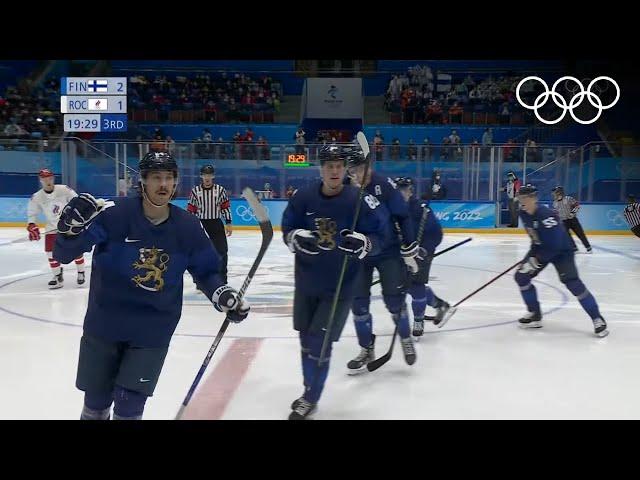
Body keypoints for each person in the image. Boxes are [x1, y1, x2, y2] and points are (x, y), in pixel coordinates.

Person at [53, 152, 250, 420]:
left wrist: (222, 294)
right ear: (142, 182)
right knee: (96, 404)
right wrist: (68, 232)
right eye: (156, 177)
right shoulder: (115, 216)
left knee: (129, 406)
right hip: (104, 325)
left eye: (169, 178)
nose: (164, 184)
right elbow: (65, 254)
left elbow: (206, 271)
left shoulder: (187, 227)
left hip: (152, 331)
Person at [281, 144, 389, 420]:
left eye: (339, 166)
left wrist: (365, 243)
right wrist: (294, 237)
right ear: (321, 168)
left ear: (345, 169)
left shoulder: (359, 200)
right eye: (329, 166)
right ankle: (309, 389)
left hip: (340, 286)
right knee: (306, 340)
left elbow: (380, 238)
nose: (334, 171)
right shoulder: (303, 197)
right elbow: (288, 226)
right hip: (306, 282)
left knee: (320, 343)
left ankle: (310, 398)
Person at [345, 150, 420, 373]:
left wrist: (409, 246)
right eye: (353, 170)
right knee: (358, 304)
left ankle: (405, 338)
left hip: (388, 251)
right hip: (360, 253)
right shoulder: (347, 190)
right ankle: (366, 348)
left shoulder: (384, 186)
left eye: (360, 169)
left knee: (394, 301)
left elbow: (403, 216)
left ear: (369, 166)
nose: (357, 174)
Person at [514, 184, 608, 337]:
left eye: (525, 198)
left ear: (534, 198)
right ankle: (534, 314)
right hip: (542, 249)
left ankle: (597, 319)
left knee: (573, 284)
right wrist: (529, 258)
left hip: (563, 252)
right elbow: (535, 239)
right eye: (520, 198)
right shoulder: (523, 214)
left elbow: (556, 245)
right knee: (521, 276)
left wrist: (536, 260)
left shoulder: (546, 214)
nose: (522, 201)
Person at [394, 178, 451, 337]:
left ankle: (418, 319)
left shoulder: (422, 209)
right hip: (403, 251)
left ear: (410, 191)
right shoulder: (393, 208)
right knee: (408, 286)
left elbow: (436, 234)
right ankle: (439, 304)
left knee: (417, 284)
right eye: (398, 190)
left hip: (422, 252)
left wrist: (424, 249)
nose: (401, 193)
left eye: (404, 189)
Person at [27, 168, 86, 289]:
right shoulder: (37, 197)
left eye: (49, 178)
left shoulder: (64, 189)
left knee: (76, 250)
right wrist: (31, 224)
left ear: (53, 178)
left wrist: (78, 216)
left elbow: (77, 201)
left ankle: (81, 272)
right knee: (50, 253)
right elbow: (32, 212)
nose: (47, 181)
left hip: (69, 226)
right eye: (44, 179)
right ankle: (58, 276)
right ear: (41, 180)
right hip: (51, 228)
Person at [187, 165, 233, 283]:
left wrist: (228, 223)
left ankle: (222, 279)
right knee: (199, 253)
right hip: (201, 225)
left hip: (216, 224)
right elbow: (191, 209)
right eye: (204, 175)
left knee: (222, 252)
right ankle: (200, 280)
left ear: (213, 176)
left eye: (209, 175)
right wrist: (190, 225)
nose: (207, 177)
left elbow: (225, 207)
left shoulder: (220, 190)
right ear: (201, 176)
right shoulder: (195, 191)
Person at [552, 186, 592, 253]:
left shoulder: (568, 199)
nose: (553, 194)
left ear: (559, 193)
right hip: (564, 221)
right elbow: (556, 212)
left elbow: (577, 206)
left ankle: (588, 247)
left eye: (554, 193)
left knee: (580, 233)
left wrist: (572, 213)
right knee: (567, 236)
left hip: (573, 220)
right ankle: (574, 248)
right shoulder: (555, 203)